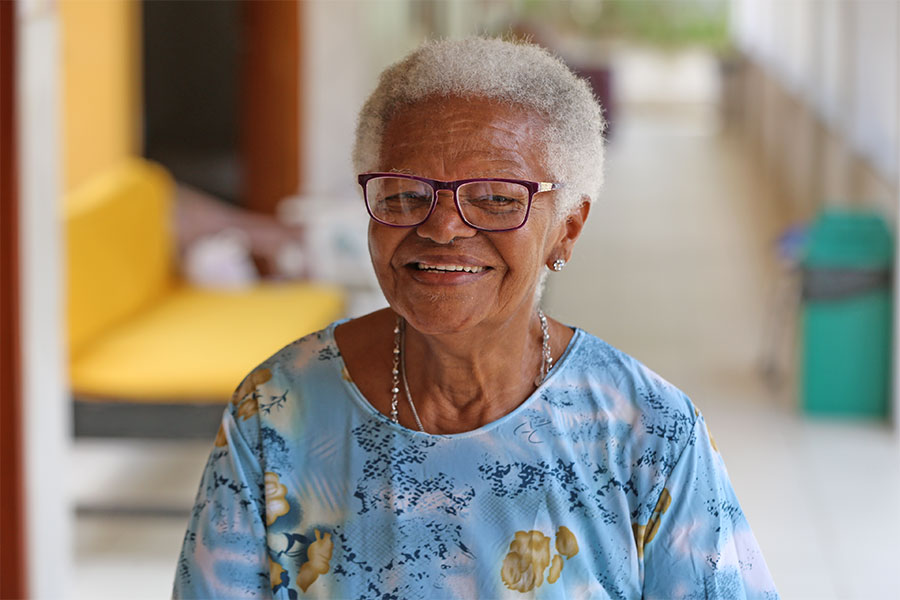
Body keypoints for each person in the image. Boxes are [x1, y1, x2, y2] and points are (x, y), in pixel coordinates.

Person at [174, 37, 778, 599]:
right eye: (405, 193)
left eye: (495, 198)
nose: (441, 228)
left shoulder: (648, 433)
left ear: (566, 230)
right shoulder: (279, 409)